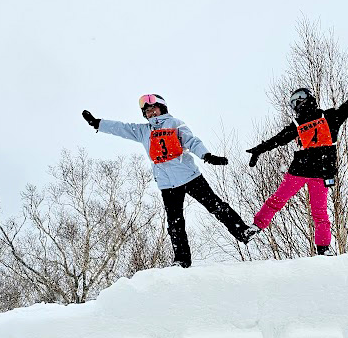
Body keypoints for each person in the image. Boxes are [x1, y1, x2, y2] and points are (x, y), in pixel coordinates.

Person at [82, 94, 258, 268]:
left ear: (162, 108)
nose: (152, 114)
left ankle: (242, 231)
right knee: (175, 222)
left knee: (215, 206)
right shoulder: (144, 131)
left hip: (190, 176)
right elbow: (122, 128)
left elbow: (192, 141)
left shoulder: (175, 124)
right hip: (167, 185)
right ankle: (182, 260)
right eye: (148, 112)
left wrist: (207, 156)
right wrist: (97, 123)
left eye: (154, 110)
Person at [245, 82, 348, 255]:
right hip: (310, 172)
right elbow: (279, 139)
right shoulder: (313, 120)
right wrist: (259, 150)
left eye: (296, 102)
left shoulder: (321, 118)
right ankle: (259, 228)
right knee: (309, 210)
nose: (295, 106)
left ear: (304, 100)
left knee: (311, 211)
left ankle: (322, 248)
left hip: (311, 172)